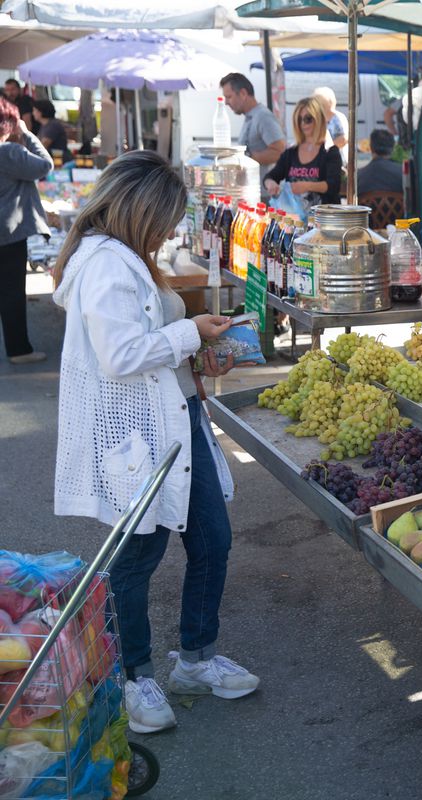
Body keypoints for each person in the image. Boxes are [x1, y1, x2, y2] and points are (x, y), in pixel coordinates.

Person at [51, 150, 259, 735]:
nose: (172, 231)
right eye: (168, 218)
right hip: (141, 435)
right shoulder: (105, 266)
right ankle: (133, 673)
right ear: (142, 211)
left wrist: (196, 352)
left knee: (212, 540)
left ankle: (195, 660)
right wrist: (190, 330)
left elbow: (150, 345)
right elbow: (120, 356)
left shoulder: (129, 259)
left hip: (177, 420)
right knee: (138, 556)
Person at [0, 98, 52, 364]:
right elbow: (45, 165)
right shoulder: (8, 152)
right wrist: (27, 133)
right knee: (11, 292)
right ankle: (19, 350)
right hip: (8, 232)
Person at [263, 97, 343, 207]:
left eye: (308, 119)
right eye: (299, 119)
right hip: (295, 219)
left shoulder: (330, 152)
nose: (303, 124)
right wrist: (270, 183)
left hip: (324, 219)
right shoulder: (290, 153)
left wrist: (307, 186)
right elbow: (271, 176)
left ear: (318, 119)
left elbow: (333, 185)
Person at [219, 73, 285, 169]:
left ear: (243, 94)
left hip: (263, 183)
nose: (226, 102)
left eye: (229, 97)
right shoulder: (251, 116)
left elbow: (279, 152)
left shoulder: (263, 116)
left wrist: (244, 158)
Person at [356, 129, 406, 196]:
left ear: (370, 148)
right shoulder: (403, 173)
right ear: (393, 148)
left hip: (369, 206)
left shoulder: (359, 177)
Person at [312, 86, 348, 162]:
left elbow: (343, 140)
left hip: (336, 161)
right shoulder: (317, 118)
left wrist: (325, 149)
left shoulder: (337, 117)